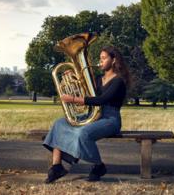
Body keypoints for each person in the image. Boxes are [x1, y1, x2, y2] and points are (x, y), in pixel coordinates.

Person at [43, 46, 130, 184]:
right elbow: (87, 94)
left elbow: (102, 100)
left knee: (83, 133)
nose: (100, 61)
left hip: (110, 119)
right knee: (60, 123)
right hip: (94, 115)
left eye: (103, 58)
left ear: (113, 60)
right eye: (100, 58)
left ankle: (99, 166)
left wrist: (73, 99)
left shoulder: (118, 81)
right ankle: (56, 166)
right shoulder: (98, 79)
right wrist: (72, 78)